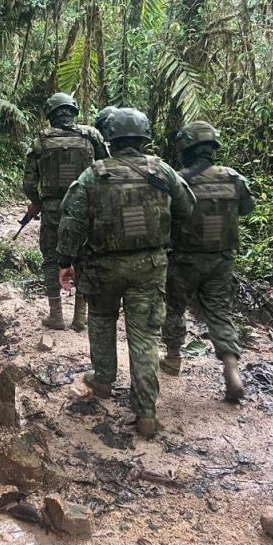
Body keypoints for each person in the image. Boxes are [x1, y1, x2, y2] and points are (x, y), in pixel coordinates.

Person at [57, 108, 195, 438]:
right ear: (144, 138)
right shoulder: (163, 171)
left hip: (103, 266)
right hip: (149, 266)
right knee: (145, 336)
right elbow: (187, 209)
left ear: (111, 139)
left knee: (102, 319)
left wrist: (65, 261)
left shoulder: (94, 174)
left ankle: (103, 380)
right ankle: (146, 412)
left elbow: (71, 223)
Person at [160, 120, 255, 401]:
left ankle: (173, 359)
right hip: (220, 261)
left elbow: (164, 216)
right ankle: (231, 368)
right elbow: (248, 208)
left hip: (184, 259)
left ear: (185, 148)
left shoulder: (177, 181)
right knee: (220, 312)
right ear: (212, 147)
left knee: (174, 308)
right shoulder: (233, 178)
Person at [23, 92, 107, 331]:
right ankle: (80, 317)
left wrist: (37, 201)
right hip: (86, 209)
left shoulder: (41, 141)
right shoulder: (91, 136)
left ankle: (56, 315)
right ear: (73, 112)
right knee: (84, 258)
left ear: (50, 115)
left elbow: (29, 183)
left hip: (52, 210)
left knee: (51, 259)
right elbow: (107, 169)